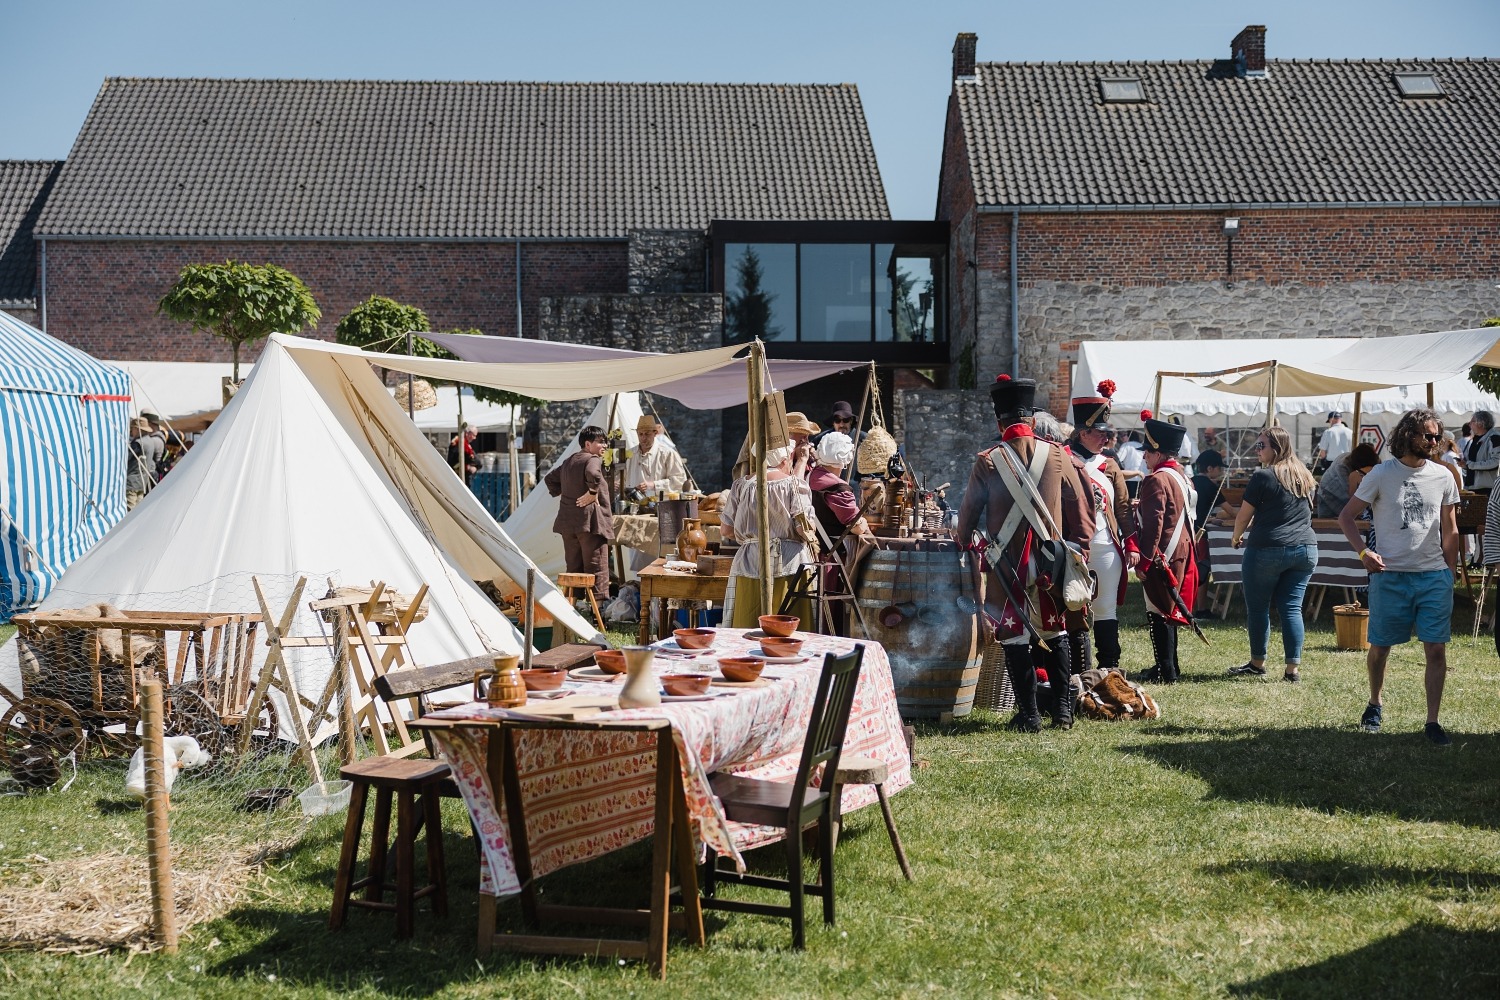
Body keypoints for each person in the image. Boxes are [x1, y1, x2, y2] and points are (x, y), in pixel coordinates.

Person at [955, 374, 1093, 732]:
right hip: (1050, 562)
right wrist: (1079, 549)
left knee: (1015, 636)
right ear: (1031, 420)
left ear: (999, 422)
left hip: (1007, 566)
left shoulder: (988, 460)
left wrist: (963, 539)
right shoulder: (1059, 456)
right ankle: (1063, 712)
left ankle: (1029, 715)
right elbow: (1079, 506)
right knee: (1056, 633)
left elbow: (968, 516)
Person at [1337, 407, 1460, 747]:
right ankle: (1375, 702)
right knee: (1380, 648)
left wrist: (1450, 571)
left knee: (1436, 650)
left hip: (1433, 576)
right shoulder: (1380, 474)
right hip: (1390, 577)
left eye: (1437, 436)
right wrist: (1364, 552)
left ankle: (1432, 721)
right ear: (1408, 435)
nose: (1434, 442)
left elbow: (1450, 529)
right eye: (1428, 435)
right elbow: (1346, 517)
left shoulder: (1444, 476)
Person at [1226, 426, 1319, 682]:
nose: (1257, 450)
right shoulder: (1305, 476)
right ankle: (1292, 670)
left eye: (1261, 445)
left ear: (1276, 449)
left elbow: (1244, 515)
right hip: (1306, 549)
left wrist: (1236, 537)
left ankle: (1257, 663)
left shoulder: (1263, 477)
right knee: (1292, 608)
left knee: (1258, 608)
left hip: (1268, 548)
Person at [1068, 381, 1135, 674]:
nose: (1107, 441)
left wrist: (1131, 542)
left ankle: (1110, 667)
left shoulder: (1109, 465)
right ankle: (1079, 667)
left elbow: (1122, 506)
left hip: (1106, 544)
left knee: (1106, 608)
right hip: (1071, 546)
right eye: (1101, 434)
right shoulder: (1062, 460)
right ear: (1084, 433)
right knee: (1073, 608)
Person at [719, 445, 815, 629]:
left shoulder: (741, 485)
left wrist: (751, 534)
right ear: (784, 459)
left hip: (750, 562)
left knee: (747, 626)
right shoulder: (793, 484)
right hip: (789, 564)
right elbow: (805, 528)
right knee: (788, 630)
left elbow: (726, 530)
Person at [1133, 416, 1198, 684]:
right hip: (1180, 547)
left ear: (1158, 452)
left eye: (1147, 451)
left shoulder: (1156, 479)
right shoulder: (1179, 474)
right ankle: (1169, 666)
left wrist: (1144, 561)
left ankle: (1165, 670)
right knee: (1168, 610)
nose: (1144, 457)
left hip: (1163, 553)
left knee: (1158, 611)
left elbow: (1154, 524)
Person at [543, 425, 615, 608]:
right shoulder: (592, 459)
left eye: (605, 441)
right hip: (590, 524)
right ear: (588, 444)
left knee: (573, 568)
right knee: (596, 567)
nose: (604, 445)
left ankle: (571, 611)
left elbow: (550, 479)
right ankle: (597, 615)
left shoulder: (569, 461)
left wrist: (568, 495)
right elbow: (593, 474)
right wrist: (592, 492)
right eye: (600, 442)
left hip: (569, 524)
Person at [808, 431, 871, 634]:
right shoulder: (838, 487)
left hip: (810, 554)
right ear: (843, 460)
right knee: (831, 611)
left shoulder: (809, 476)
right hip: (832, 559)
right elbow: (856, 525)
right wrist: (864, 521)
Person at [1191, 450, 1228, 615]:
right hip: (1201, 535)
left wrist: (1211, 518)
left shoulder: (1189, 482)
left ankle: (1187, 605)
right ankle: (1201, 608)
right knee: (1203, 571)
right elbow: (1230, 511)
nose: (1220, 472)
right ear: (1210, 468)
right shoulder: (1211, 486)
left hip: (1188, 530)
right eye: (1219, 468)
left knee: (1190, 570)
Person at [624, 414, 688, 496]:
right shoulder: (630, 454)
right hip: (634, 505)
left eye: (647, 434)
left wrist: (654, 485)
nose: (643, 438)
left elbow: (679, 481)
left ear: (655, 433)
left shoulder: (668, 454)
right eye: (640, 434)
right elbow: (623, 479)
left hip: (660, 505)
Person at [1316, 443, 1381, 519]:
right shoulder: (1342, 467)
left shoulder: (1374, 461)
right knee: (1329, 527)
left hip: (1350, 500)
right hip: (1328, 495)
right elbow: (1354, 497)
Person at [125, 416, 163, 510]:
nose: (131, 431)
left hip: (131, 482)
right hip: (143, 482)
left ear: (138, 429)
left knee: (130, 511)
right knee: (138, 511)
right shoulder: (150, 442)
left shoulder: (138, 443)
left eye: (132, 429)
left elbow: (126, 458)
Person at [1463, 410, 1500, 489]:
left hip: (1488, 490)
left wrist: (1471, 465)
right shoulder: (1475, 439)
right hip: (1474, 487)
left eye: (1472, 421)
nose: (1469, 424)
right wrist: (1465, 465)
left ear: (1480, 423)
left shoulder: (1494, 438)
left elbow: (1496, 462)